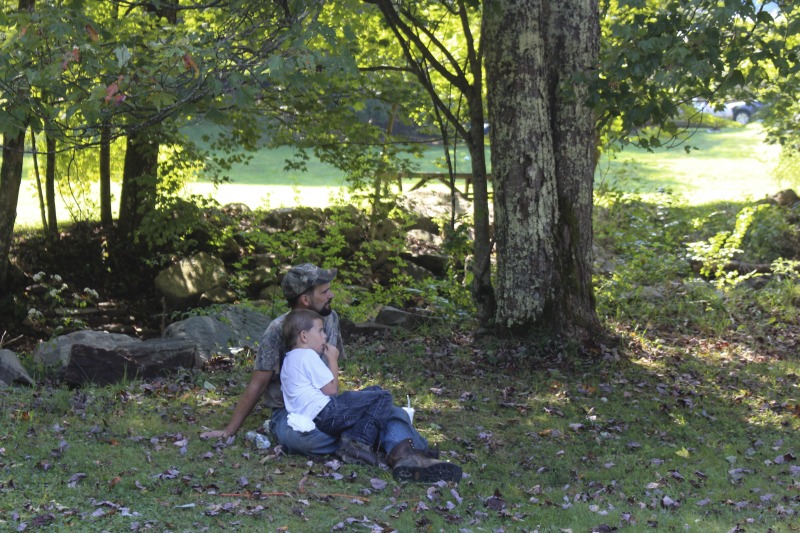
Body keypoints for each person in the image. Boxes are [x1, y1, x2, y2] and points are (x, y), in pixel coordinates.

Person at [200, 263, 462, 483]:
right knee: (303, 440)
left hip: (327, 403)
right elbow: (258, 384)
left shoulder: (330, 318)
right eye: (324, 291)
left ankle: (405, 457)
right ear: (305, 299)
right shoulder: (277, 329)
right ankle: (384, 445)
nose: (331, 295)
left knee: (381, 404)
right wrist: (229, 430)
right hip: (291, 412)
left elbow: (329, 379)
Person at [280, 308, 392, 466]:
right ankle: (357, 445)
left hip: (312, 416)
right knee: (383, 396)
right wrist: (333, 359)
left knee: (374, 391)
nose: (325, 336)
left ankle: (351, 439)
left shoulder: (289, 359)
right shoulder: (307, 355)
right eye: (320, 331)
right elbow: (331, 390)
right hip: (325, 412)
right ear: (304, 336)